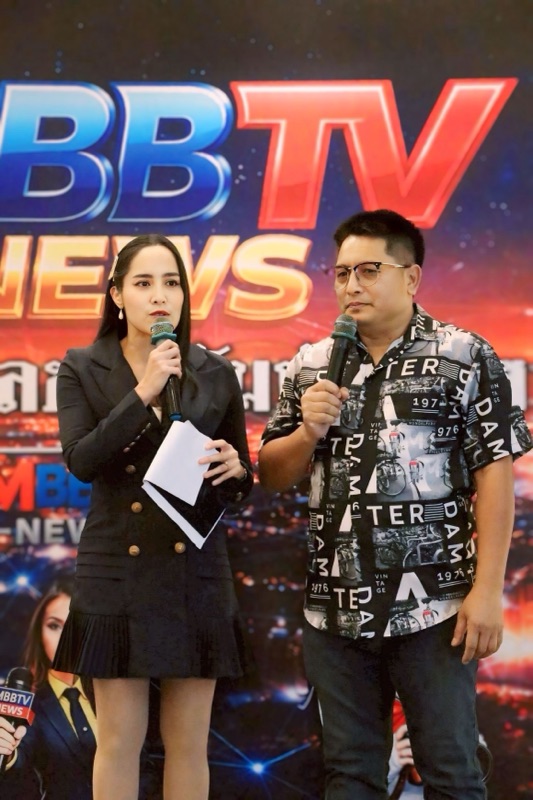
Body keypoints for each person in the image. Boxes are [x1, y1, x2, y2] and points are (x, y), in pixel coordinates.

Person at [258, 209, 532, 799]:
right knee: (349, 775)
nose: (351, 285)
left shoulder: (464, 355)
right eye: (341, 273)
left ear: (411, 278)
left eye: (368, 270)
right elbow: (273, 473)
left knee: (451, 770)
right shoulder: (311, 364)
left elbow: (495, 475)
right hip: (335, 609)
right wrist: (307, 432)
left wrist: (488, 591)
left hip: (435, 607)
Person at [51, 234, 254, 800]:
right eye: (143, 283)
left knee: (189, 744)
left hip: (195, 570)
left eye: (171, 283)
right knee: (120, 740)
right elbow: (82, 461)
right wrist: (143, 392)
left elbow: (239, 482)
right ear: (117, 295)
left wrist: (236, 469)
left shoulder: (215, 371)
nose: (160, 296)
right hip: (117, 567)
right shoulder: (82, 367)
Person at [0, 578, 97, 800]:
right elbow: (20, 767)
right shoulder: (24, 702)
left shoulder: (120, 692)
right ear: (39, 633)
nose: (66, 639)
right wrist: (8, 753)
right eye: (55, 626)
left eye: (76, 626)